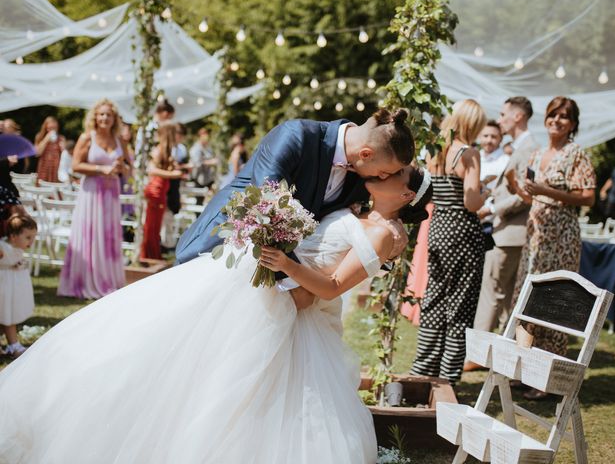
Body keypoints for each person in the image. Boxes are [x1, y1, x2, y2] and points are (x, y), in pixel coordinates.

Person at [0, 164, 432, 463]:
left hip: (295, 304)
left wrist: (287, 265)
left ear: (407, 194)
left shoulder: (385, 235)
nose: (384, 173)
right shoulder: (361, 209)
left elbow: (333, 286)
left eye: (394, 175)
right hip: (272, 285)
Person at [176, 108, 416, 270]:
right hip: (224, 244)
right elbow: (265, 204)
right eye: (385, 171)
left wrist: (391, 238)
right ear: (366, 154)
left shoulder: (364, 178)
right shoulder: (296, 136)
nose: (385, 177)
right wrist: (293, 276)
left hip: (277, 273)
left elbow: (360, 226)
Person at [509, 96, 596, 399]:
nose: (557, 120)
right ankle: (523, 371)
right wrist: (515, 187)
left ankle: (546, 380)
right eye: (553, 115)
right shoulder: (536, 153)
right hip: (535, 235)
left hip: (561, 236)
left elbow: (588, 198)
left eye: (564, 117)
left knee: (552, 303)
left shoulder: (576, 154)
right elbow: (531, 197)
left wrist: (546, 191)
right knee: (526, 300)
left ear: (572, 124)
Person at [410, 99, 489, 384]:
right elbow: (471, 202)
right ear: (474, 124)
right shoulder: (469, 154)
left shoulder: (436, 151)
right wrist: (486, 194)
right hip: (463, 235)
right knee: (460, 306)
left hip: (438, 228)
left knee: (434, 300)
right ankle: (447, 379)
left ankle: (422, 370)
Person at [464, 97, 538, 372]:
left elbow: (526, 193)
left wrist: (493, 208)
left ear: (518, 117)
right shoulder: (517, 147)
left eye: (504, 113)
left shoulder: (529, 147)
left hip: (511, 231)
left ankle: (477, 355)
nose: (501, 117)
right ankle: (514, 361)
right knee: (508, 298)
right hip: (508, 231)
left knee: (492, 291)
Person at [57, 99, 131, 299]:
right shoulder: (87, 137)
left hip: (111, 193)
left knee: (108, 235)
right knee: (91, 234)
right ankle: (85, 279)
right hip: (91, 192)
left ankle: (107, 279)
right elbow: (75, 166)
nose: (105, 118)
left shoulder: (119, 140)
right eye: (101, 114)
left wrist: (121, 168)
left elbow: (128, 168)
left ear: (114, 118)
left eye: (109, 114)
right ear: (95, 117)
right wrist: (100, 168)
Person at [141, 123, 185, 260]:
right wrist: (173, 174)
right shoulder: (159, 150)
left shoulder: (166, 151)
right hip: (156, 190)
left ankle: (153, 254)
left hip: (162, 191)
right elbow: (151, 170)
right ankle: (149, 255)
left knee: (155, 227)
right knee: (151, 227)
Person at [0, 214, 37, 358]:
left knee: (8, 316)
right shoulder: (3, 249)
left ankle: (11, 345)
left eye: (33, 237)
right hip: (4, 287)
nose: (31, 241)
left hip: (13, 288)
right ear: (14, 236)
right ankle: (13, 345)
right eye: (28, 237)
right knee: (6, 316)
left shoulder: (15, 247)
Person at [161, 122, 191, 250]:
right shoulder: (166, 148)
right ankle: (164, 244)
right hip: (166, 185)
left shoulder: (181, 149)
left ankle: (168, 243)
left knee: (171, 214)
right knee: (164, 216)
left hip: (175, 186)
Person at [478, 120, 509, 191]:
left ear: (501, 139)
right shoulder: (474, 157)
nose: (489, 140)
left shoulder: (506, 162)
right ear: (479, 136)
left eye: (493, 137)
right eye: (485, 136)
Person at [34, 116, 65, 183]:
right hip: (44, 168)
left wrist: (64, 149)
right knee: (43, 188)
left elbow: (65, 157)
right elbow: (37, 153)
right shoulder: (39, 137)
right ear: (46, 128)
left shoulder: (61, 138)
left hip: (56, 168)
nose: (53, 130)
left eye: (55, 128)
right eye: (51, 128)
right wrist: (46, 139)